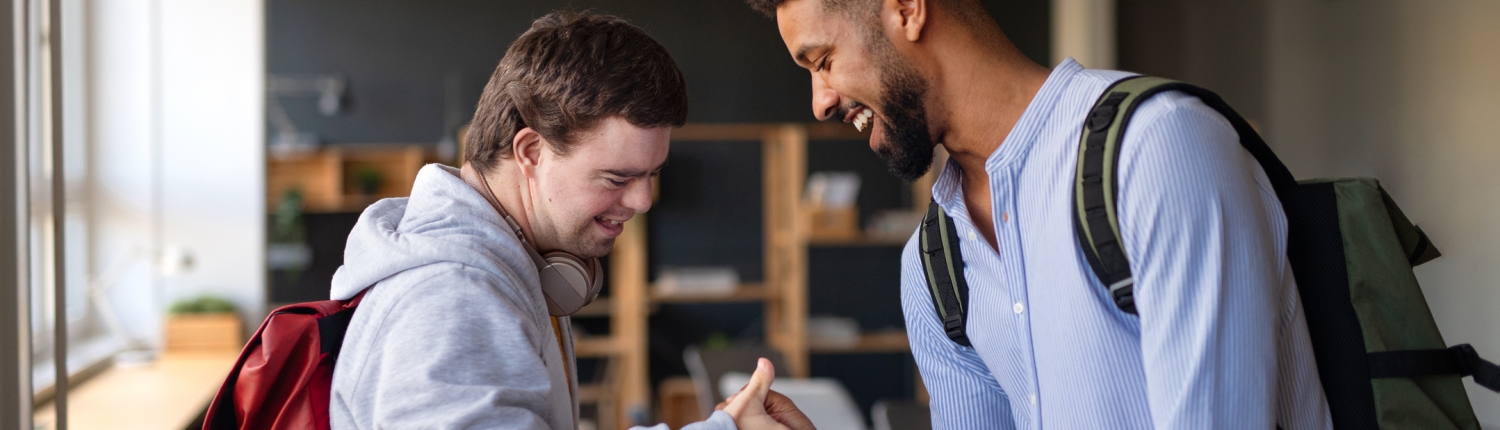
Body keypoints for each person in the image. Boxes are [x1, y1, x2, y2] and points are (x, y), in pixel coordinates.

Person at [745, 0, 1333, 428]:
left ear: (906, 8)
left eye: (821, 60)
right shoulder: (932, 267)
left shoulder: (1157, 147)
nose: (820, 102)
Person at [327, 11, 808, 430]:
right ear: (531, 151)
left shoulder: (495, 274)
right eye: (617, 177)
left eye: (652, 175)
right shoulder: (453, 298)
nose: (643, 200)